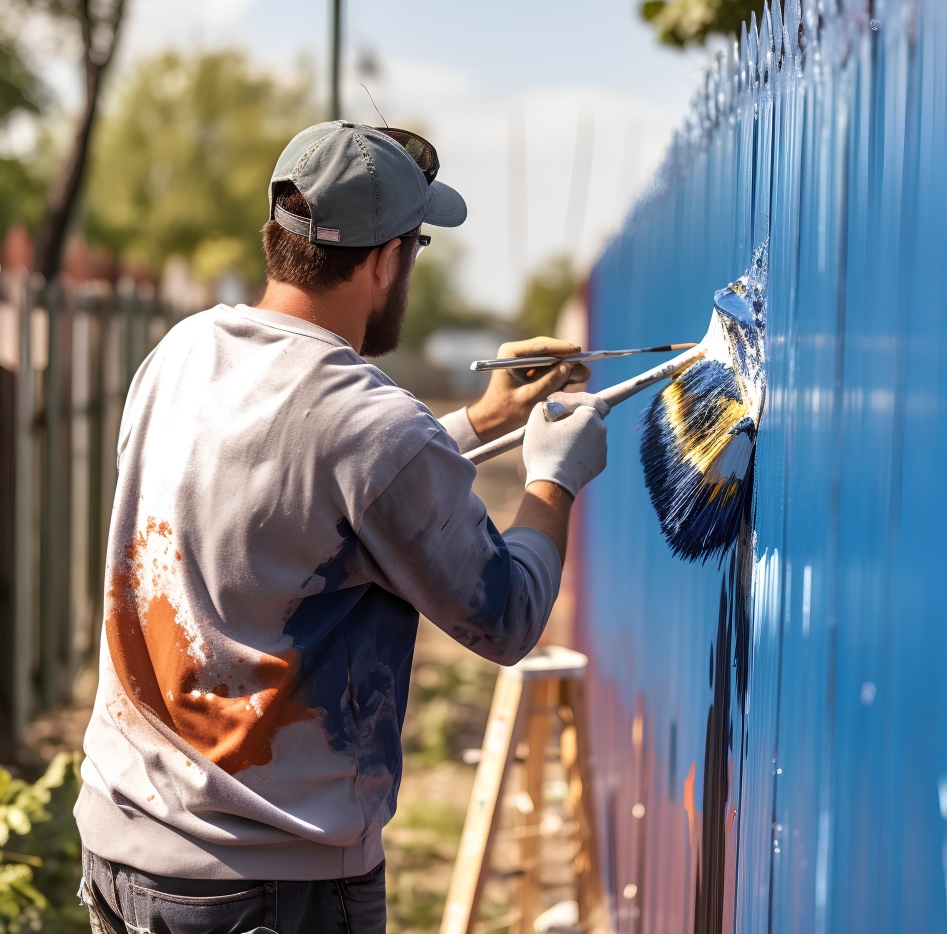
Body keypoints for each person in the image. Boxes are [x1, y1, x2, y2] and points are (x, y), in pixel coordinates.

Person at [75, 121, 609, 934]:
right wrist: (553, 476)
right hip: (270, 886)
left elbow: (296, 501)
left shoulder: (183, 353)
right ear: (386, 258)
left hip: (123, 850)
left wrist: (475, 423)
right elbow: (505, 616)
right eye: (418, 244)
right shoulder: (372, 425)